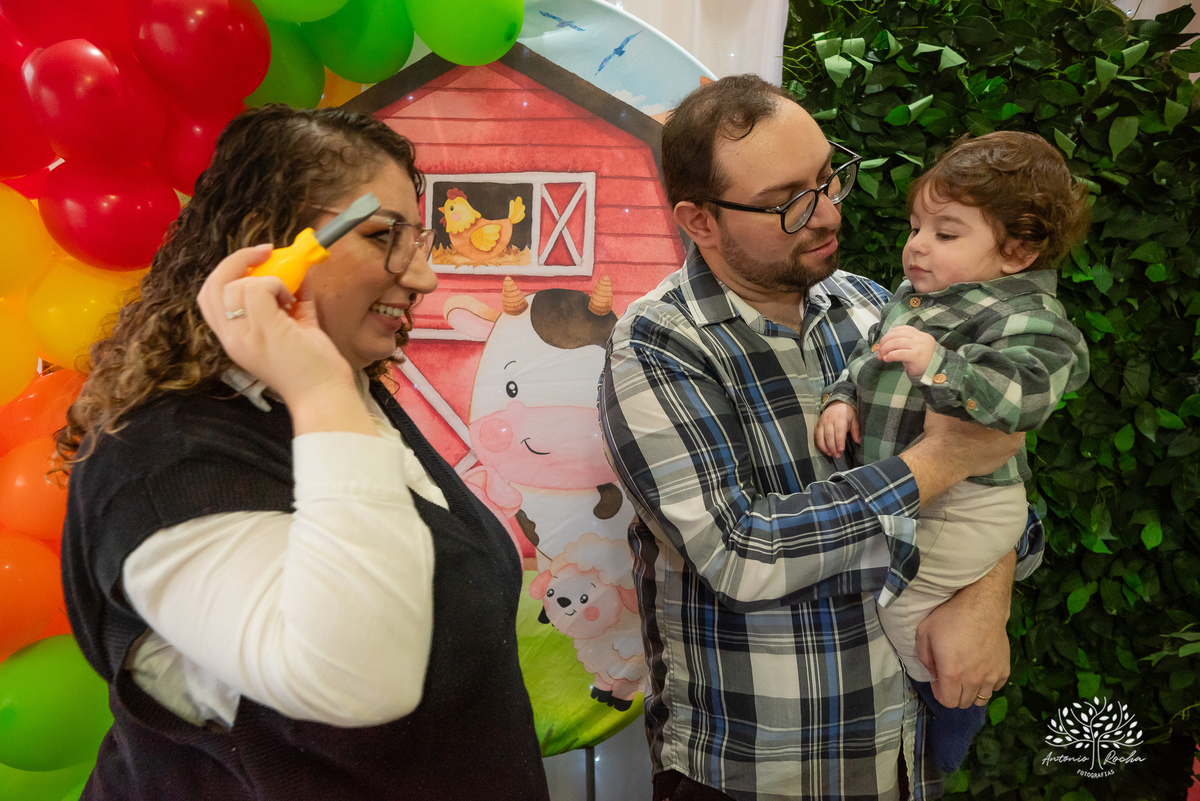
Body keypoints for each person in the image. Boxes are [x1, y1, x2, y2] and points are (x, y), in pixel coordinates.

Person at [56, 105, 550, 801]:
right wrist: (318, 386)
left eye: (420, 240)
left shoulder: (344, 401)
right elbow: (361, 678)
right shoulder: (164, 460)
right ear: (270, 249)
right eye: (384, 236)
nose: (424, 279)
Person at [598, 74, 1043, 801]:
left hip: (902, 754)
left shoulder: (878, 306)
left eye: (827, 177)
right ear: (699, 220)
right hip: (758, 771)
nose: (827, 212)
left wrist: (986, 598)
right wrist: (933, 462)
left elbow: (997, 469)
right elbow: (742, 552)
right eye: (787, 202)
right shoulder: (658, 344)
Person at [815, 131, 1090, 772]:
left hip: (969, 502)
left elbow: (1022, 400)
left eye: (945, 233)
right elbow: (865, 359)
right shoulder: (915, 299)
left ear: (1018, 251)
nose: (916, 246)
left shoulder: (1033, 318)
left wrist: (942, 366)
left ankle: (948, 734)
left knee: (912, 618)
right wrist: (840, 399)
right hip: (925, 496)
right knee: (916, 612)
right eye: (916, 227)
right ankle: (933, 725)